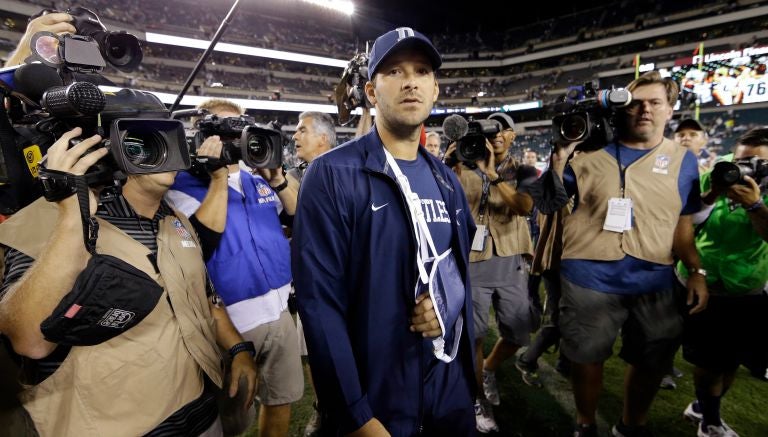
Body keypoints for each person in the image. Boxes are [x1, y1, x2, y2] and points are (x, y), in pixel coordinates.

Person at [0, 126, 257, 436]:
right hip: (113, 425)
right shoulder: (51, 217)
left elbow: (204, 299)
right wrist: (71, 216)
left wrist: (239, 348)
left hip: (201, 412)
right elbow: (28, 341)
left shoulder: (177, 220)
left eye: (170, 139)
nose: (166, 151)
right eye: (145, 141)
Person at [292, 27, 477, 436]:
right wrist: (356, 415)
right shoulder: (332, 174)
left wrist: (447, 301)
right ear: (372, 93)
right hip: (378, 397)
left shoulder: (447, 180)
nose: (410, 80)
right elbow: (319, 304)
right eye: (394, 71)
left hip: (448, 390)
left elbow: (459, 271)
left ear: (434, 88)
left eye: (422, 71)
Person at [553, 71, 708, 437]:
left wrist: (696, 270)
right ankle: (585, 423)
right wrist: (560, 155)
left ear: (670, 110)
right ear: (622, 106)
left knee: (652, 360)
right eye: (636, 102)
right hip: (588, 274)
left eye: (655, 103)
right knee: (585, 355)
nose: (644, 110)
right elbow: (551, 200)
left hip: (655, 277)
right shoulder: (586, 151)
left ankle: (631, 425)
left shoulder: (685, 161)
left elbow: (683, 224)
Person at [167, 98, 303, 437]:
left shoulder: (257, 177)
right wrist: (217, 178)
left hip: (279, 310)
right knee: (230, 421)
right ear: (201, 133)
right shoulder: (179, 183)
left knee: (279, 401)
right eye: (222, 130)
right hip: (228, 322)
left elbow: (301, 219)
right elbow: (199, 242)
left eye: (238, 129)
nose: (233, 138)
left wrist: (279, 181)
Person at [445, 111, 535, 433]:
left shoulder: (523, 169)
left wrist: (493, 175)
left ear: (512, 135)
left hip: (510, 256)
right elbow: (441, 197)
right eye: (490, 129)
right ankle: (478, 398)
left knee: (518, 332)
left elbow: (524, 207)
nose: (496, 134)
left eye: (503, 129)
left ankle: (489, 368)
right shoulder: (463, 164)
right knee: (476, 334)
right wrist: (449, 162)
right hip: (473, 258)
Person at [678, 127, 768, 437]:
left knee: (732, 359)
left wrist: (755, 205)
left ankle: (703, 409)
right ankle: (711, 422)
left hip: (748, 283)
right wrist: (714, 192)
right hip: (705, 278)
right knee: (708, 360)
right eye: (742, 161)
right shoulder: (718, 173)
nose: (746, 169)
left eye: (758, 165)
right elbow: (690, 222)